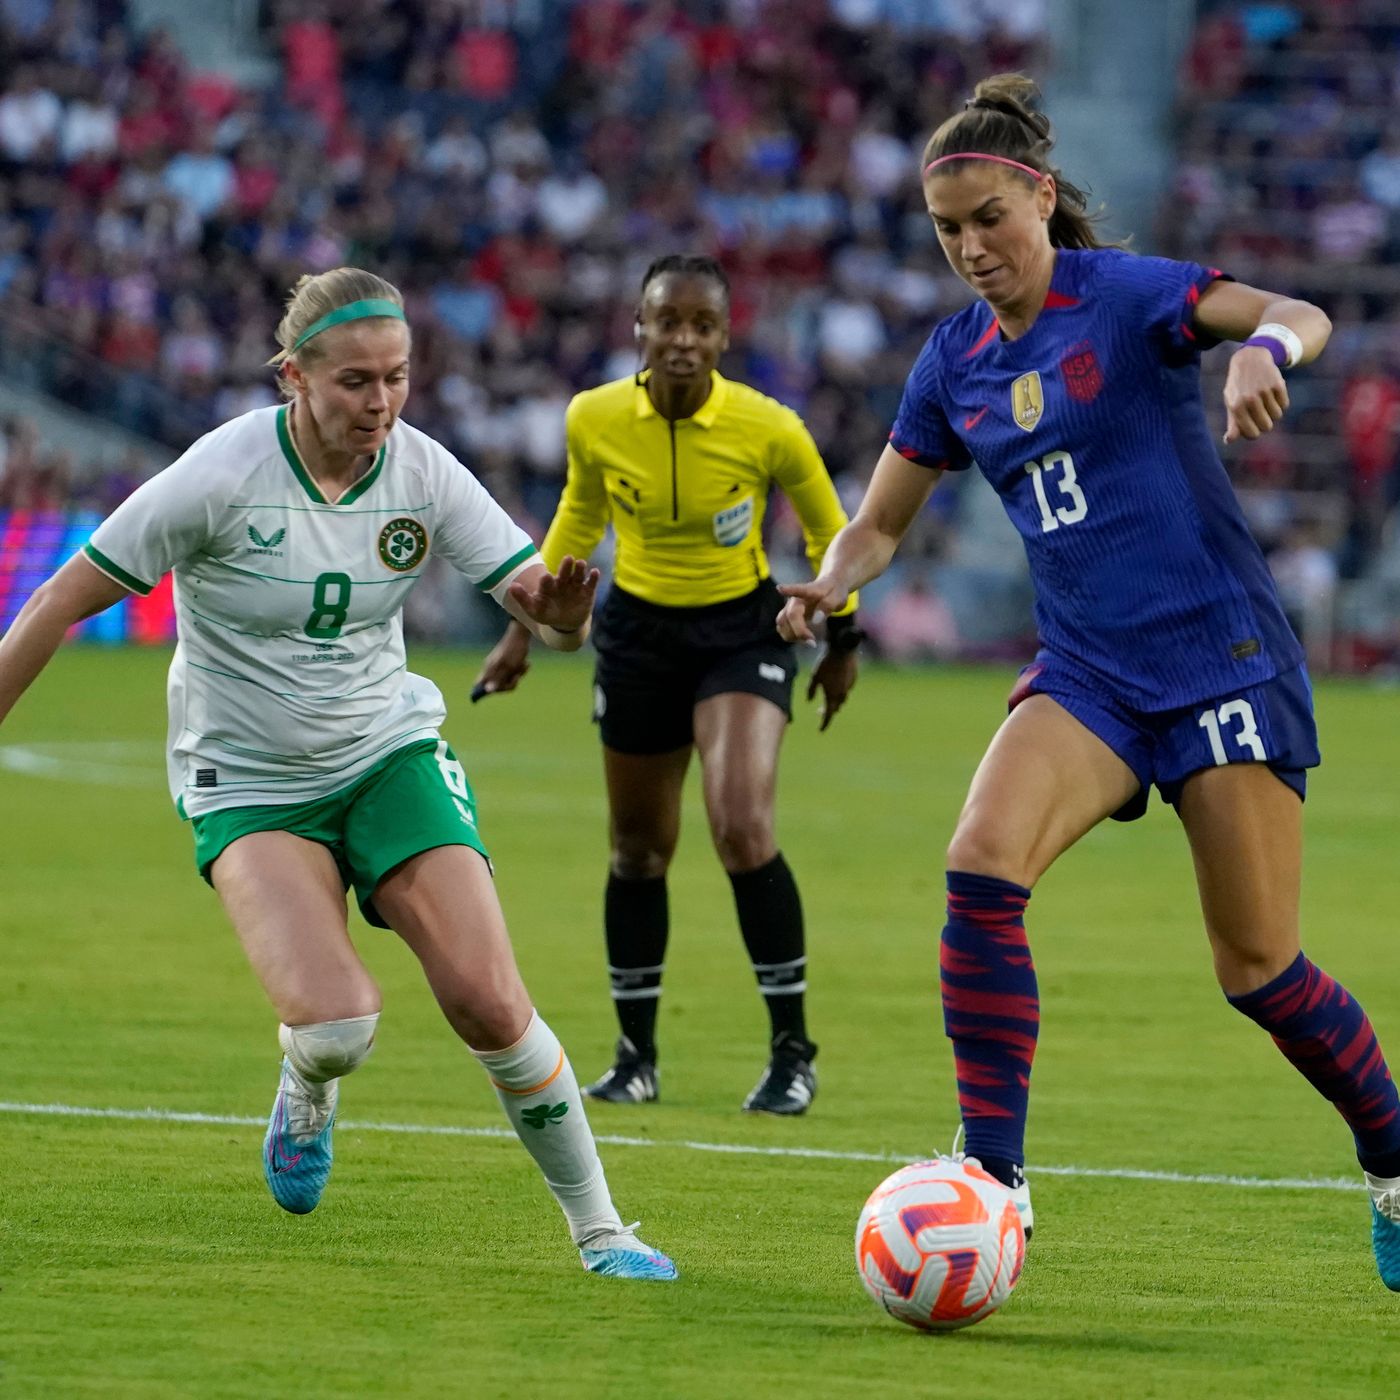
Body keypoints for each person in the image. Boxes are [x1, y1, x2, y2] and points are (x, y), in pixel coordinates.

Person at [778, 74, 1400, 1288]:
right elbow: (878, 523)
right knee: (978, 862)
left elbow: (1298, 308)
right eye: (947, 228)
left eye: (987, 221)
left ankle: (1389, 1157)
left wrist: (1260, 352)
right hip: (1088, 674)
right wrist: (828, 582)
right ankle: (994, 1179)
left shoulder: (1120, 299)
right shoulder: (950, 361)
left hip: (1217, 653)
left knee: (1257, 969)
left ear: (1038, 200)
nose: (969, 247)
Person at [0, 267, 676, 1282]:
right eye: (354, 381)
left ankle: (601, 1229)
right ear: (293, 376)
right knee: (337, 1022)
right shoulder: (219, 475)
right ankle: (305, 1080)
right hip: (248, 777)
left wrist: (565, 612)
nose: (381, 402)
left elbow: (541, 606)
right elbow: (57, 596)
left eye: (397, 378)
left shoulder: (422, 471)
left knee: (491, 1001)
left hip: (385, 751)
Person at [473, 254, 861, 1115]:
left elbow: (835, 531)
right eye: (667, 321)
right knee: (638, 851)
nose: (684, 339)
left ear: (725, 336)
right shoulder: (596, 417)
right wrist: (521, 633)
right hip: (638, 636)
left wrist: (844, 637)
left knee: (741, 827)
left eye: (702, 325)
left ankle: (792, 1055)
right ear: (639, 329)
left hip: (739, 633)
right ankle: (636, 1058)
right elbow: (577, 520)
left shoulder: (771, 427)